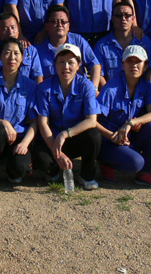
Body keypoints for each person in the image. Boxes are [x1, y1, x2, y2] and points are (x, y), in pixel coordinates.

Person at [33, 43, 101, 190]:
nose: (66, 67)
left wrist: (65, 134)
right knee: (41, 159)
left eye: (71, 62)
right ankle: (54, 170)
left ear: (78, 66)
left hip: (74, 137)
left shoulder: (86, 85)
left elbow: (91, 120)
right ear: (55, 64)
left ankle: (87, 176)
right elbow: (43, 123)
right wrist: (56, 151)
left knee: (93, 136)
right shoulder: (44, 87)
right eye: (61, 62)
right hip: (52, 139)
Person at [95, 45, 151, 188]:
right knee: (136, 163)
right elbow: (93, 121)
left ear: (145, 66)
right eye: (129, 61)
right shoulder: (111, 89)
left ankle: (145, 173)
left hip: (130, 136)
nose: (134, 66)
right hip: (109, 140)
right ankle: (106, 161)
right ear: (122, 65)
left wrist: (132, 123)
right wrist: (111, 137)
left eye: (138, 62)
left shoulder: (146, 86)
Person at [0, 37, 38, 194]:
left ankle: (12, 170)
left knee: (20, 169)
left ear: (22, 58)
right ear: (0, 56)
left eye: (16, 53)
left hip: (18, 137)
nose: (12, 57)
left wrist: (24, 143)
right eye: (7, 53)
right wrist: (4, 123)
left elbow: (34, 122)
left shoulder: (30, 86)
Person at [34, 5, 101, 88]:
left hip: (79, 91)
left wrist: (94, 89)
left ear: (68, 26)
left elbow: (95, 65)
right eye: (55, 22)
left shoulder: (78, 41)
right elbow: (37, 78)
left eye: (63, 22)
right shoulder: (38, 49)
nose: (59, 25)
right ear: (47, 26)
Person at [94, 2, 151, 84]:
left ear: (133, 19)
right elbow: (99, 75)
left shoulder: (144, 42)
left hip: (141, 90)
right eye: (119, 15)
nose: (123, 18)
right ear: (113, 19)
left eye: (127, 15)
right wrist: (107, 91)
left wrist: (149, 89)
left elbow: (150, 71)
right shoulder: (101, 46)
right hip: (111, 90)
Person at [0, 13, 44, 83]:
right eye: (5, 29)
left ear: (18, 29)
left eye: (13, 27)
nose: (10, 32)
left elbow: (38, 76)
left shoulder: (31, 50)